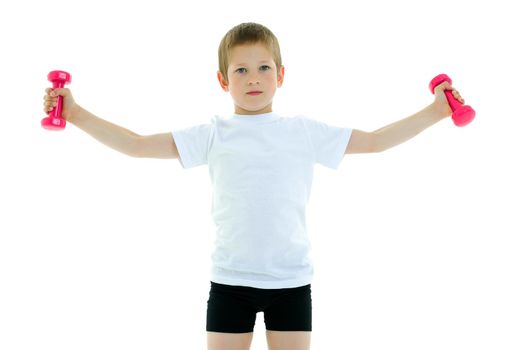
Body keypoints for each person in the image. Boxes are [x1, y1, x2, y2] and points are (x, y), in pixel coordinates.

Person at [42, 22, 466, 350]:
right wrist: (76, 114)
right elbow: (135, 145)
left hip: (290, 282)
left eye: (263, 67)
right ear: (224, 81)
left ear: (281, 74)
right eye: (240, 70)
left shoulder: (302, 131)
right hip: (230, 282)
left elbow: (374, 142)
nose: (253, 78)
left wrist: (435, 111)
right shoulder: (213, 133)